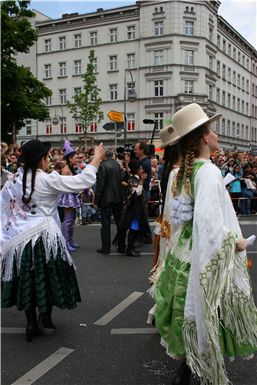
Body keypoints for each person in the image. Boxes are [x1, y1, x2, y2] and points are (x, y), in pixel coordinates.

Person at [154, 103, 257, 385]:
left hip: (180, 255)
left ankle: (186, 368)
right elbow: (210, 225)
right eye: (212, 130)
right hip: (198, 258)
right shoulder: (208, 172)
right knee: (204, 312)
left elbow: (177, 220)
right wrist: (235, 242)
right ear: (203, 137)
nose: (217, 136)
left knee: (188, 314)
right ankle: (191, 369)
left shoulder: (180, 173)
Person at [1, 139, 105, 342]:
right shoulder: (46, 179)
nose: (49, 159)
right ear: (41, 159)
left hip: (21, 242)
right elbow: (81, 182)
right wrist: (96, 159)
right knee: (48, 277)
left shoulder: (13, 180)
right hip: (45, 238)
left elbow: (3, 207)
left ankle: (31, 322)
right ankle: (45, 318)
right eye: (47, 156)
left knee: (27, 279)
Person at [147, 125, 181, 325]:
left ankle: (160, 308)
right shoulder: (176, 174)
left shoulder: (170, 170)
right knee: (170, 272)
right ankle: (162, 309)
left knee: (165, 269)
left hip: (166, 228)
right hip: (172, 230)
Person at [95, 147, 123, 254]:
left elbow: (100, 185)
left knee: (105, 225)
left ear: (105, 155)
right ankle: (121, 246)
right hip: (118, 197)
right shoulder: (117, 165)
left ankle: (106, 248)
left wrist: (97, 200)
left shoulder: (103, 166)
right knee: (119, 223)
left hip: (106, 199)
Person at [117, 159, 148, 256]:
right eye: (140, 168)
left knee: (135, 228)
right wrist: (142, 181)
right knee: (133, 228)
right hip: (133, 209)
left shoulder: (134, 178)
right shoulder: (133, 179)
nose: (142, 170)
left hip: (136, 208)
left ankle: (131, 247)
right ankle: (129, 249)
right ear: (136, 169)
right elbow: (137, 192)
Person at [58, 140, 81, 252]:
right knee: (68, 220)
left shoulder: (70, 169)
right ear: (70, 158)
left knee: (71, 220)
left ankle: (70, 240)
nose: (77, 159)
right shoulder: (65, 170)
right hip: (67, 197)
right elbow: (64, 185)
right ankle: (65, 243)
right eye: (75, 157)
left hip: (72, 196)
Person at [134, 141, 152, 244]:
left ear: (142, 150)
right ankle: (146, 235)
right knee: (142, 215)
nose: (135, 151)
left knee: (140, 214)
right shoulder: (142, 161)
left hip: (143, 190)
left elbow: (142, 178)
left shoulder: (144, 163)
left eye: (136, 149)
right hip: (142, 190)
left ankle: (143, 236)